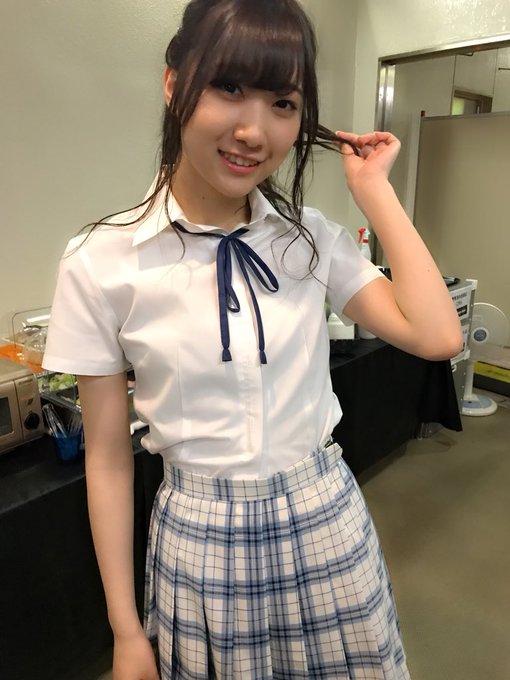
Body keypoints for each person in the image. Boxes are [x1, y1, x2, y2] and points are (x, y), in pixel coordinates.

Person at [43, 0, 462, 678]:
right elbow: (110, 460)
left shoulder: (309, 239)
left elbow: (438, 335)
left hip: (327, 522)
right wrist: (125, 630)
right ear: (174, 83)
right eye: (229, 87)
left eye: (283, 103)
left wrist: (374, 192)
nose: (253, 131)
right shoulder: (100, 261)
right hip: (199, 545)